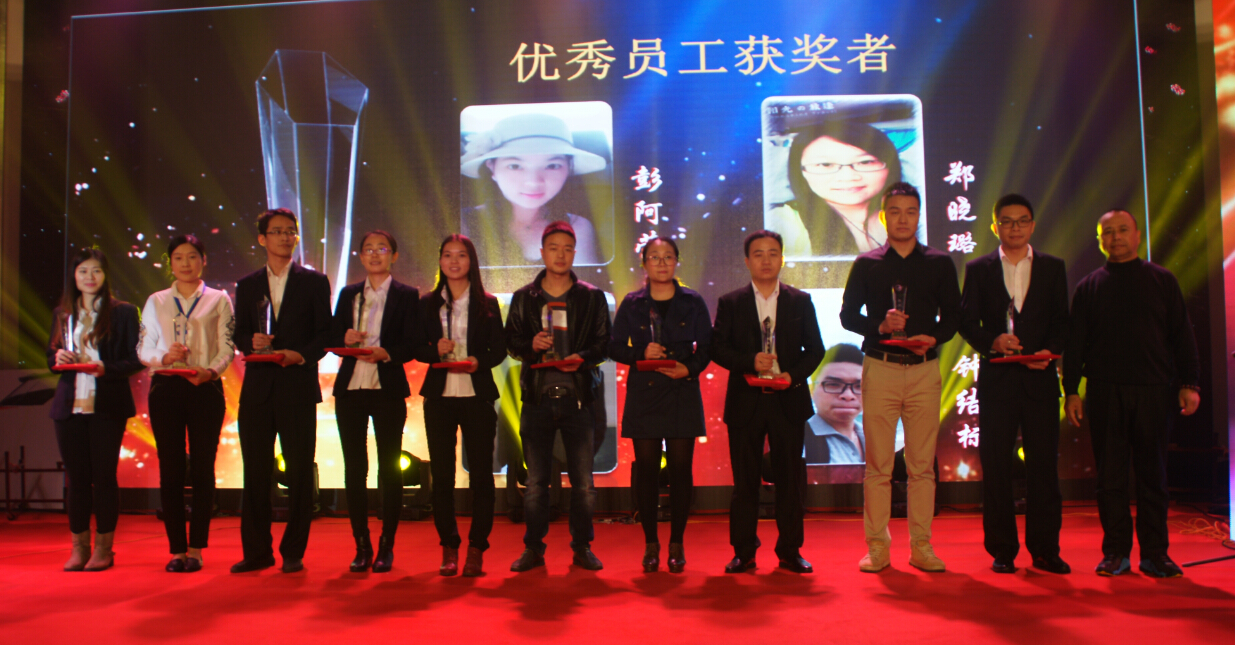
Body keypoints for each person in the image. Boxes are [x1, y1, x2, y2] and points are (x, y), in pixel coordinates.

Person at [1063, 209, 1201, 578]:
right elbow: (1075, 345)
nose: (1116, 237)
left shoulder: (1162, 280)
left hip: (1154, 390)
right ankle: (1115, 553)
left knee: (1153, 476)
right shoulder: (1089, 287)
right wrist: (1071, 391)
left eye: (1123, 230)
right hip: (1105, 392)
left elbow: (1182, 335)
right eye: (1107, 232)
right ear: (1100, 241)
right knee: (1110, 478)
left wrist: (1190, 383)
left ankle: (1156, 554)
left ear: (1138, 235)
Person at [840, 182, 960, 573]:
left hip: (924, 370)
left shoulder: (939, 263)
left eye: (910, 211)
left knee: (921, 466)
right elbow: (847, 316)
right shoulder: (868, 263)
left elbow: (953, 318)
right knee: (878, 466)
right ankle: (877, 546)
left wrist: (933, 337)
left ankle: (921, 546)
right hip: (881, 367)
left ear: (919, 215)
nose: (903, 219)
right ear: (883, 216)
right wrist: (879, 325)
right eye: (895, 212)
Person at [958, 194, 1071, 575]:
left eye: (1022, 220)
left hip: (1040, 382)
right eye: (1006, 221)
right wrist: (993, 341)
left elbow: (1062, 321)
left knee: (1043, 468)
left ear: (1032, 225)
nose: (1015, 227)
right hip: (998, 382)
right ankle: (1002, 550)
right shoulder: (979, 269)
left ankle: (1045, 549)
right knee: (997, 467)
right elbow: (966, 322)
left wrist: (1050, 352)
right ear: (995, 227)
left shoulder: (1053, 267)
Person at [712, 230, 825, 574]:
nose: (766, 260)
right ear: (747, 261)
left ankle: (790, 550)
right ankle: (743, 551)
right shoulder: (731, 302)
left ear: (782, 259)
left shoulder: (800, 301)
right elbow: (718, 348)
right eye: (758, 254)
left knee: (790, 481)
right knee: (745, 482)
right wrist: (750, 361)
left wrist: (792, 375)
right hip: (746, 401)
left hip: (787, 400)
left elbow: (815, 350)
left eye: (773, 253)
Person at [505, 221, 612, 572]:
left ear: (575, 253)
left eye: (567, 248)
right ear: (542, 252)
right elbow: (511, 342)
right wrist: (531, 345)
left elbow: (604, 345)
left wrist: (583, 357)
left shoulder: (591, 297)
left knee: (583, 484)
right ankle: (533, 549)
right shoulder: (524, 298)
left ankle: (582, 547)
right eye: (553, 248)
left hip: (577, 398)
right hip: (537, 399)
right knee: (536, 483)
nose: (561, 254)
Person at [230, 208, 332, 574]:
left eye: (291, 231)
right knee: (256, 473)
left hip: (297, 386)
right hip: (257, 389)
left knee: (300, 472)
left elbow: (325, 334)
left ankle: (293, 551)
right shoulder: (248, 284)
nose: (286, 237)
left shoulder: (314, 281)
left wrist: (298, 355)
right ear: (262, 238)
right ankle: (257, 551)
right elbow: (239, 332)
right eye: (277, 231)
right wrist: (250, 342)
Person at [609, 238, 712, 573]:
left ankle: (677, 542)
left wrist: (689, 369)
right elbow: (613, 347)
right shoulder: (633, 303)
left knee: (681, 470)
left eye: (668, 256)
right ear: (644, 263)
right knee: (647, 470)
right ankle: (651, 543)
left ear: (677, 261)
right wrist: (640, 354)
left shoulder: (692, 301)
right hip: (645, 394)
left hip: (682, 390)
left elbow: (707, 347)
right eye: (654, 257)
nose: (662, 262)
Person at [137, 235, 235, 572]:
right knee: (171, 469)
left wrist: (211, 372)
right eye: (178, 257)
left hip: (205, 386)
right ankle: (176, 549)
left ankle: (197, 548)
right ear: (170, 263)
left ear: (203, 260)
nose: (185, 263)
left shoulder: (218, 299)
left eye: (192, 256)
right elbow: (142, 347)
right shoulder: (157, 301)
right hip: (166, 387)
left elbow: (227, 346)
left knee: (204, 468)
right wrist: (164, 357)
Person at [414, 234, 507, 577]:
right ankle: (449, 546)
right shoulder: (427, 303)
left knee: (481, 476)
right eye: (448, 255)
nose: (454, 261)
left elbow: (499, 350)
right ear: (440, 261)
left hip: (477, 395)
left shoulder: (488, 303)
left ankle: (477, 548)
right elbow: (415, 347)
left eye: (461, 255)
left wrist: (478, 362)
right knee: (442, 477)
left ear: (472, 262)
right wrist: (434, 351)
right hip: (439, 397)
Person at [330, 230, 421, 574]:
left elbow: (413, 343)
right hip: (351, 388)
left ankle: (386, 545)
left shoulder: (406, 295)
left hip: (387, 387)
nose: (374, 254)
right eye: (368, 249)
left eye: (382, 249)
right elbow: (331, 336)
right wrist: (344, 337)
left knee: (389, 468)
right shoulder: (349, 294)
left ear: (393, 256)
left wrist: (387, 353)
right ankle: (361, 545)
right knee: (355, 469)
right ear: (360, 256)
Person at [47, 248, 143, 572]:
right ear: (74, 277)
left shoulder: (124, 312)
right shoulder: (63, 313)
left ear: (105, 276)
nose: (89, 277)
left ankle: (104, 548)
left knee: (103, 477)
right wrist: (57, 358)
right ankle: (79, 547)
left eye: (96, 271)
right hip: (69, 406)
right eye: (83, 271)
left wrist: (106, 368)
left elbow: (136, 359)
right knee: (76, 479)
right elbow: (50, 356)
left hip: (107, 405)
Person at [461, 112, 607, 266]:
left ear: (568, 168)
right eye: (515, 166)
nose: (534, 182)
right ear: (492, 168)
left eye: (552, 166)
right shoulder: (463, 223)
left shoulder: (577, 227)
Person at [767, 121, 902, 258]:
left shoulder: (911, 216)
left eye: (865, 162)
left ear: (889, 165)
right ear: (801, 171)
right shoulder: (781, 223)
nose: (848, 177)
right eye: (825, 165)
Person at [804, 344, 866, 465]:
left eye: (859, 386)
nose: (848, 395)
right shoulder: (798, 441)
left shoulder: (875, 439)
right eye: (833, 384)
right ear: (811, 390)